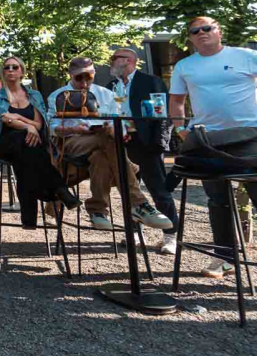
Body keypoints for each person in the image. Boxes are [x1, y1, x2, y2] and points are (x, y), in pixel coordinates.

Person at [168, 15, 257, 298]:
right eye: (195, 31)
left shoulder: (244, 56)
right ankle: (225, 256)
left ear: (218, 31)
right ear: (190, 37)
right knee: (217, 201)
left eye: (207, 28)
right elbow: (177, 100)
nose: (201, 33)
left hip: (249, 138)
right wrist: (180, 128)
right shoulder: (184, 66)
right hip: (207, 140)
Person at [47, 57, 172, 232]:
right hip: (71, 142)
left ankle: (98, 211)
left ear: (94, 73)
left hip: (104, 144)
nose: (84, 83)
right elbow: (51, 128)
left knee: (102, 155)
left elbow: (119, 124)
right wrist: (73, 128)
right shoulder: (58, 95)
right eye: (79, 78)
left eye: (89, 77)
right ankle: (138, 204)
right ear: (70, 74)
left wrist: (115, 130)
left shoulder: (106, 94)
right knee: (109, 141)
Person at [0, 56, 80, 226]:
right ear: (3, 73)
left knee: (26, 159)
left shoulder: (34, 95)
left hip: (27, 146)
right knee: (23, 140)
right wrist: (27, 126)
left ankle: (29, 218)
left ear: (22, 71)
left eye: (15, 67)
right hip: (3, 143)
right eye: (7, 67)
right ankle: (59, 189)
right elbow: (4, 119)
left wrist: (21, 120)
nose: (10, 70)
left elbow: (39, 124)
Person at [108, 48, 179, 254]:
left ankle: (170, 236)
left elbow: (162, 114)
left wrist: (159, 143)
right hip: (121, 143)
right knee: (130, 191)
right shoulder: (111, 86)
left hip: (146, 144)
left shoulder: (150, 82)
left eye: (114, 58)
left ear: (129, 60)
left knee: (159, 191)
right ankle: (135, 232)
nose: (111, 62)